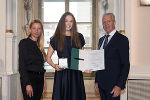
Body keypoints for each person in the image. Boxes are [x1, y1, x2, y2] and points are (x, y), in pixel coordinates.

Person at [46, 12, 86, 100]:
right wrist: (54, 66)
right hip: (62, 74)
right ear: (62, 22)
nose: (68, 23)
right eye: (66, 21)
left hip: (76, 74)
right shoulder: (56, 38)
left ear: (74, 23)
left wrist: (86, 67)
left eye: (71, 21)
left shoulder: (79, 37)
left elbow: (82, 57)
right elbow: (48, 58)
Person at [95, 13, 130, 100]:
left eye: (109, 21)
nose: (106, 24)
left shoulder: (122, 39)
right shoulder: (101, 40)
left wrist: (119, 86)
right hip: (101, 86)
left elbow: (125, 65)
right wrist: (96, 81)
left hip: (113, 87)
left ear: (114, 22)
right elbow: (98, 62)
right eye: (104, 22)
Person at [19, 19, 46, 100]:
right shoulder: (24, 43)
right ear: (30, 29)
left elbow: (41, 66)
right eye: (34, 28)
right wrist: (27, 84)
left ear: (41, 31)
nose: (36, 31)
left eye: (39, 28)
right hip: (29, 79)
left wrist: (44, 82)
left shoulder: (40, 46)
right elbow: (22, 65)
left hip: (40, 80)